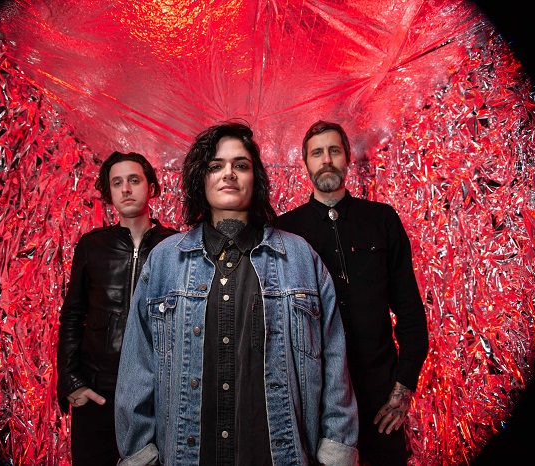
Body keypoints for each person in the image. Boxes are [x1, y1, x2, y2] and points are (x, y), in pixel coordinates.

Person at [115, 121, 360, 465]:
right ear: (201, 179)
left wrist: (336, 449)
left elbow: (334, 361)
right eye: (216, 166)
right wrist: (139, 453)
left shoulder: (300, 257)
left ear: (255, 179)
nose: (228, 173)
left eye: (240, 165)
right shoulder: (164, 261)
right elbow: (138, 366)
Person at [277, 120, 429, 466]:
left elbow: (409, 309)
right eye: (317, 153)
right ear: (306, 163)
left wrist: (404, 385)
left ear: (347, 158)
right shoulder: (286, 231)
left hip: (380, 397)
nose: (326, 160)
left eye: (334, 151)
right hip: (318, 401)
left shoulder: (381, 219)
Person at [56, 151, 178, 466]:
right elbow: (72, 316)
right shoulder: (92, 246)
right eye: (117, 183)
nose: (126, 189)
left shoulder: (176, 247)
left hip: (156, 395)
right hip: (98, 394)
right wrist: (71, 381)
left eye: (134, 180)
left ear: (151, 188)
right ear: (109, 193)